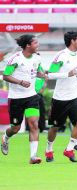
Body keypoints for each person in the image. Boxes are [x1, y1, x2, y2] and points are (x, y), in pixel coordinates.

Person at [44, 31, 77, 163]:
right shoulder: (61, 56)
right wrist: (67, 74)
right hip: (60, 98)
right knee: (55, 127)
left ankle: (69, 149)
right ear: (72, 41)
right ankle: (49, 149)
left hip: (75, 96)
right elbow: (50, 74)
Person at [1, 34, 46, 164]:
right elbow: (5, 76)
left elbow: (38, 71)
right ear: (28, 45)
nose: (38, 45)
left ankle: (33, 156)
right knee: (15, 128)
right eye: (35, 43)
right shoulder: (15, 59)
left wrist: (42, 76)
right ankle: (5, 138)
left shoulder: (37, 59)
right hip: (16, 98)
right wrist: (20, 82)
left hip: (31, 97)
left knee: (34, 124)